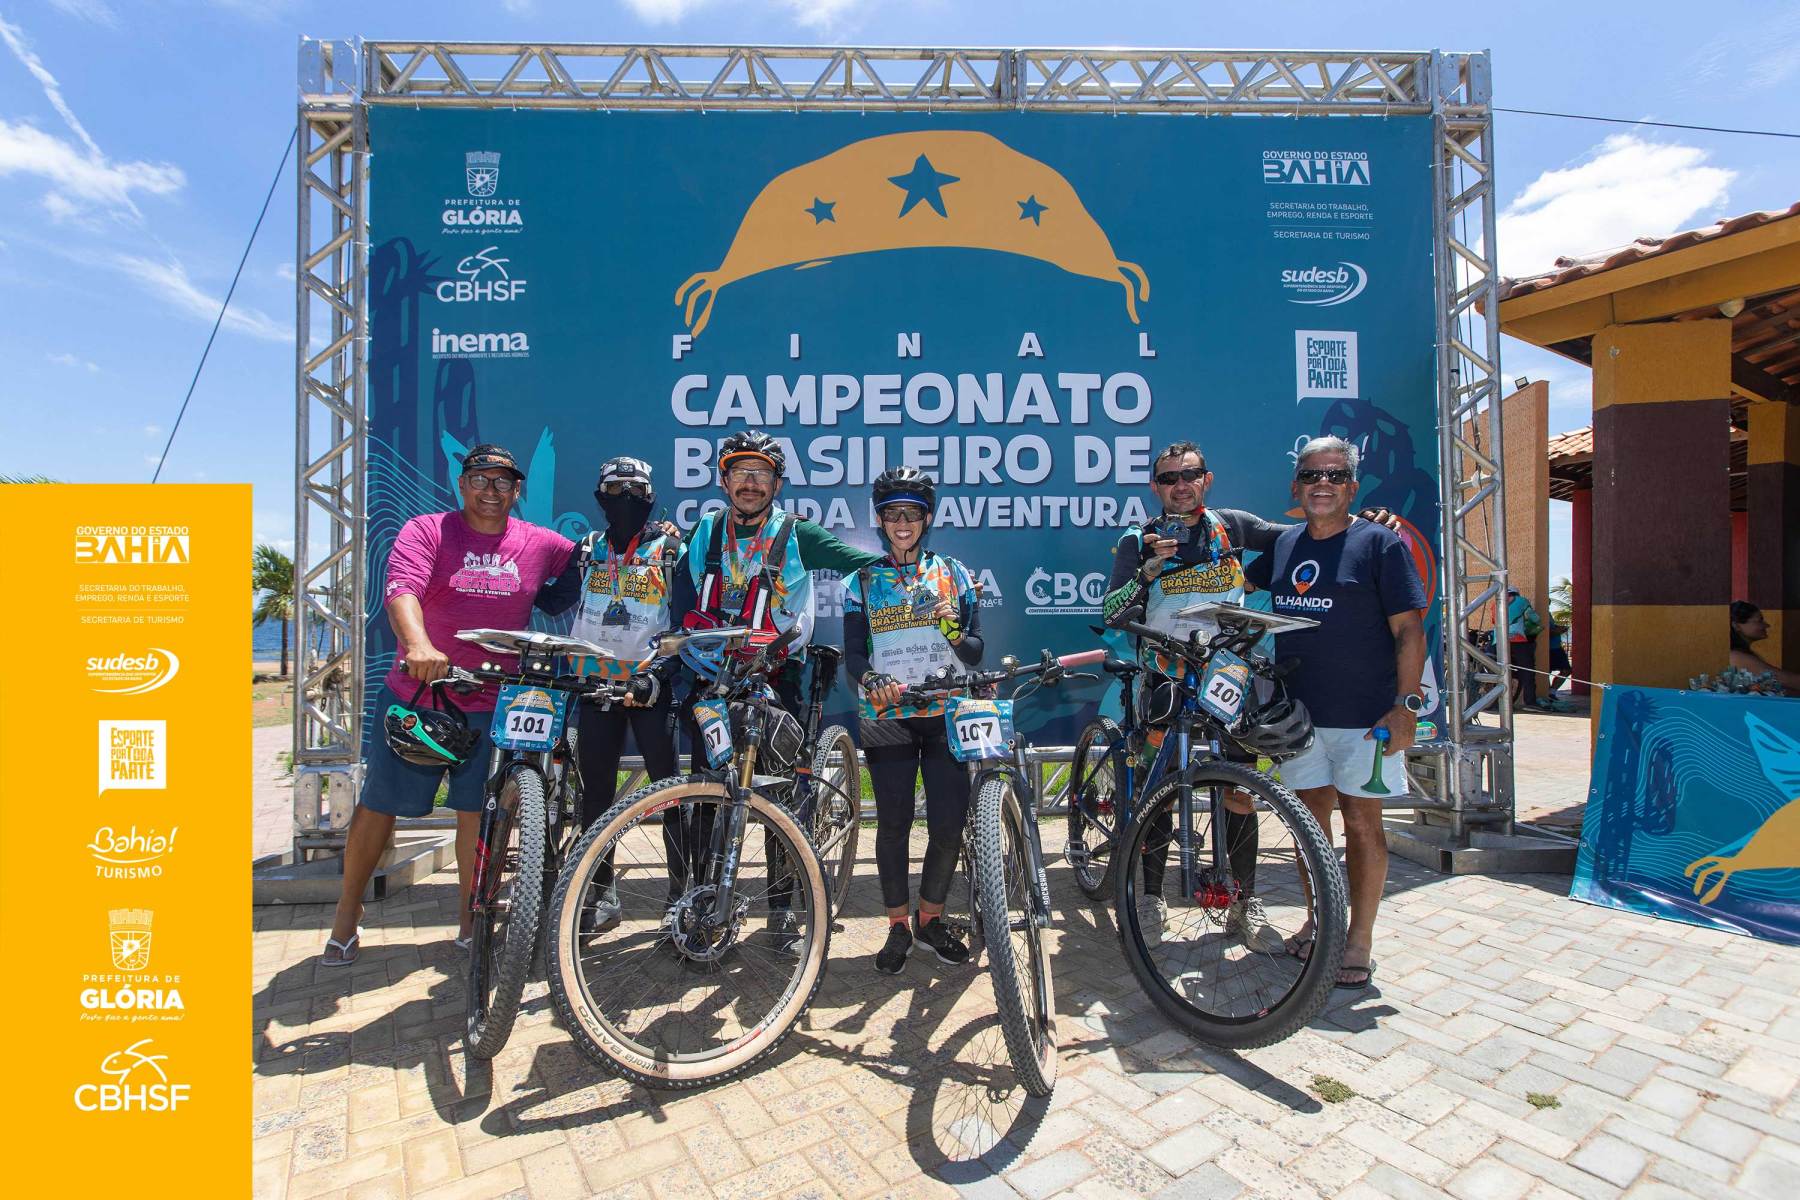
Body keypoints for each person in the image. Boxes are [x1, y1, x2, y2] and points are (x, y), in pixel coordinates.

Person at [322, 445, 578, 966]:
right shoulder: (427, 531)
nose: (491, 491)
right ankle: (346, 915)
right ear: (462, 485)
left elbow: (597, 558)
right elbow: (402, 589)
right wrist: (418, 644)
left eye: (503, 482)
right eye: (480, 480)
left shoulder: (539, 542)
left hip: (495, 701)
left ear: (517, 491)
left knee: (478, 814)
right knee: (379, 805)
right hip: (421, 697)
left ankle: (470, 922)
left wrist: (648, 539)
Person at [658, 430, 885, 948]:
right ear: (723, 480)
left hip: (781, 674)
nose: (750, 483)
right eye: (740, 472)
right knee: (708, 790)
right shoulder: (705, 531)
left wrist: (918, 579)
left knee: (780, 793)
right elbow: (677, 586)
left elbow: (864, 564)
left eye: (761, 474)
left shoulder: (798, 532)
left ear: (777, 484)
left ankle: (782, 911)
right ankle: (702, 906)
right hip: (714, 676)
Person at [1243, 436, 1426, 990]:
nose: (1322, 483)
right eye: (1311, 475)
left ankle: (1359, 940)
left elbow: (1409, 631)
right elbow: (1230, 583)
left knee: (1362, 825)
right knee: (1309, 827)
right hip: (1298, 717)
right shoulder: (1284, 546)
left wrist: (1406, 706)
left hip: (1367, 717)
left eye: (1335, 475)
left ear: (1352, 486)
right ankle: (1321, 922)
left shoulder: (1380, 544)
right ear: (1295, 487)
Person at [1100, 440, 1290, 953]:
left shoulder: (1234, 526)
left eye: (1190, 475)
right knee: (1158, 790)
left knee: (1239, 790)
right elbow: (1113, 611)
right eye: (1169, 478)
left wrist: (1358, 521)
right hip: (1164, 677)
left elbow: (1304, 536)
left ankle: (1243, 901)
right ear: (1155, 487)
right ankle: (1151, 897)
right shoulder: (1137, 540)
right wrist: (1146, 571)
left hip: (1226, 676)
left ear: (1207, 479)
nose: (1180, 485)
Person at [843, 467, 985, 973]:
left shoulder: (955, 574)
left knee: (948, 823)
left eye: (912, 513)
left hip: (946, 710)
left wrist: (951, 626)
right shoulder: (860, 581)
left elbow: (974, 651)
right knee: (894, 823)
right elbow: (853, 654)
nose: (902, 522)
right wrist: (869, 679)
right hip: (889, 714)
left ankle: (930, 920)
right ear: (880, 521)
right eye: (892, 513)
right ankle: (898, 927)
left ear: (927, 519)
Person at [567, 456, 688, 931]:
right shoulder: (586, 549)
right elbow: (555, 595)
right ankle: (600, 892)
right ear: (600, 497)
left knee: (668, 791)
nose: (626, 500)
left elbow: (685, 621)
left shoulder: (671, 549)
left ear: (651, 497)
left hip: (649, 685)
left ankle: (680, 894)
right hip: (595, 684)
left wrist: (660, 673)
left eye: (637, 491)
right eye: (616, 491)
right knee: (595, 793)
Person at [1730, 602, 1800, 694]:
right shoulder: (1736, 657)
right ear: (1736, 625)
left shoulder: (1739, 654)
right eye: (1759, 621)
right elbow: (1786, 680)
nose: (1766, 625)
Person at [1505, 587, 1542, 709]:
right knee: (1527, 671)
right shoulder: (1522, 601)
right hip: (1518, 639)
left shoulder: (1496, 602)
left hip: (1499, 641)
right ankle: (1530, 702)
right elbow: (1533, 618)